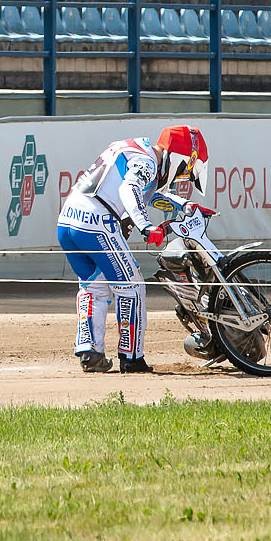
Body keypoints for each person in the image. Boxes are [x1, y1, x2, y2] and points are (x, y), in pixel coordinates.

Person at [55, 125, 209, 374]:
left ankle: (89, 351)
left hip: (67, 219)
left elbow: (146, 194)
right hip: (96, 223)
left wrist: (184, 205)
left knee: (93, 284)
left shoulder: (137, 149)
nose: (180, 178)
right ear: (180, 160)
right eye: (183, 173)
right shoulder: (147, 162)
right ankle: (131, 357)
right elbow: (130, 190)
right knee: (132, 286)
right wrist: (146, 226)